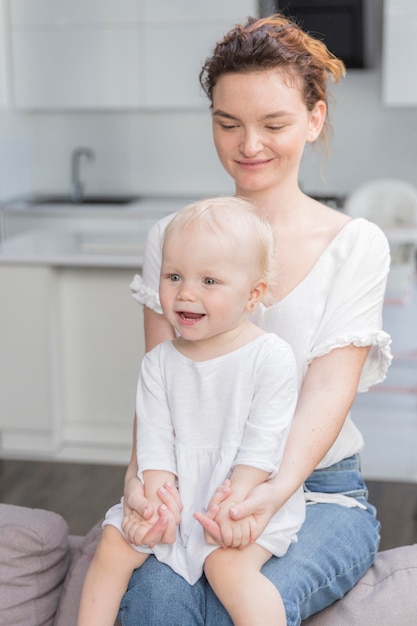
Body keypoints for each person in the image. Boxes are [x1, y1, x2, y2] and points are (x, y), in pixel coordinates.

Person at [119, 13, 392, 626]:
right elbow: (159, 384)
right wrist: (142, 483)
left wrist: (269, 492)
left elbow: (328, 387)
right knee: (155, 606)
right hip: (195, 483)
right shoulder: (172, 238)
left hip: (319, 492)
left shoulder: (355, 244)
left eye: (274, 124)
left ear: (314, 119)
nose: (249, 146)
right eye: (227, 124)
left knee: (227, 601)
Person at [78, 196, 305, 626]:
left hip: (241, 496)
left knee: (227, 568)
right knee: (114, 544)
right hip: (178, 494)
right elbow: (155, 440)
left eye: (209, 281)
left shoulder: (270, 356)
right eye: (174, 276)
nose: (185, 293)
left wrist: (235, 506)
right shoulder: (159, 362)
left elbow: (264, 443)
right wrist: (157, 504)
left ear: (253, 294)